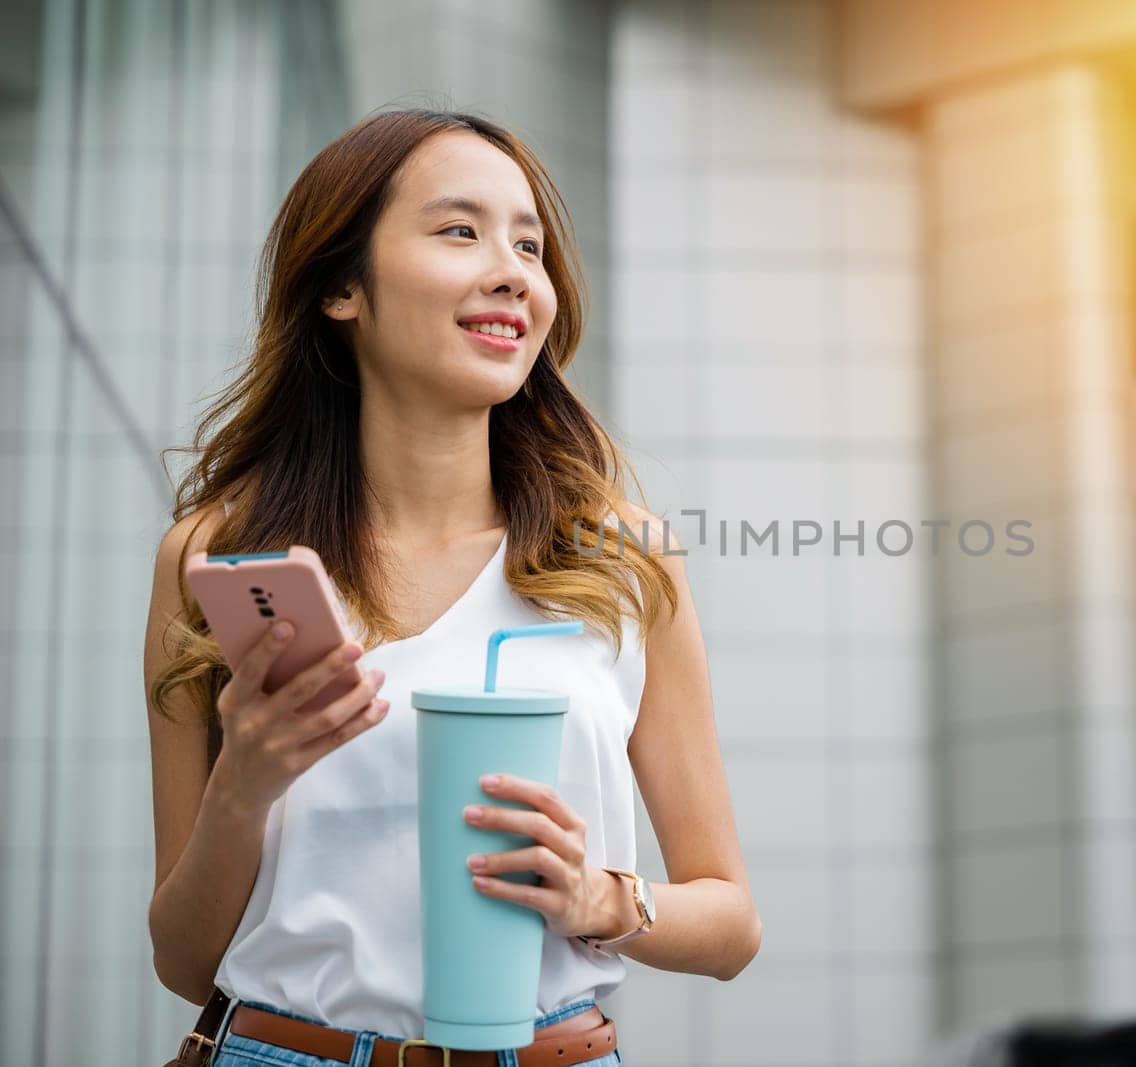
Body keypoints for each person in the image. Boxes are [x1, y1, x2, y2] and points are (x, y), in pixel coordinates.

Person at [144, 108, 761, 1067]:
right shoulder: (222, 558)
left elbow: (730, 921)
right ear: (342, 286)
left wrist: (603, 898)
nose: (515, 269)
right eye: (460, 230)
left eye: (531, 243)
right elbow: (185, 959)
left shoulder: (619, 562)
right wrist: (245, 785)